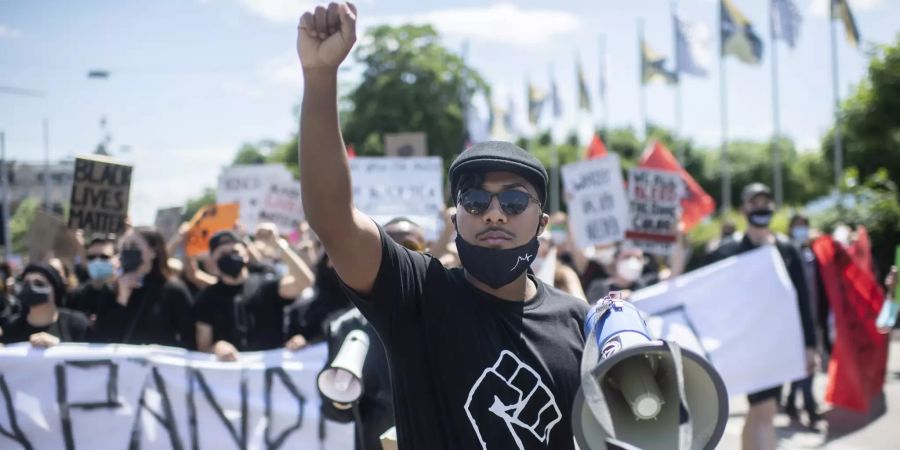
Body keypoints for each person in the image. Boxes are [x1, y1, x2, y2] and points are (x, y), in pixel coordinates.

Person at [298, 4, 590, 448]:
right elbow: (332, 219)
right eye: (475, 200)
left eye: (514, 200)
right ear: (456, 219)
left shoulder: (577, 323)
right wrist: (321, 78)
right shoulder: (417, 295)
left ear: (543, 222)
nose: (494, 213)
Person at [704, 183, 818, 450]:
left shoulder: (787, 249)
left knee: (759, 412)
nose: (761, 208)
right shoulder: (729, 250)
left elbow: (803, 300)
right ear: (744, 208)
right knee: (765, 411)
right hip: (747, 345)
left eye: (765, 203)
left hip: (779, 344)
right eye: (754, 203)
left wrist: (811, 345)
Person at [194, 230, 314, 361]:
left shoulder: (266, 282)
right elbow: (203, 347)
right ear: (213, 261)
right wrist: (216, 348)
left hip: (269, 371)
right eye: (223, 254)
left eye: (235, 252)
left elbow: (305, 282)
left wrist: (280, 246)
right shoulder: (206, 298)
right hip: (231, 375)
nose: (230, 257)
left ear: (246, 254)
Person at [92, 227, 196, 349]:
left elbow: (190, 341)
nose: (128, 250)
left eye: (134, 245)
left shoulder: (173, 290)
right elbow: (101, 339)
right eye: (124, 246)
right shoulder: (110, 289)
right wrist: (122, 299)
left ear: (153, 252)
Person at [782, 213, 823, 428]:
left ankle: (791, 401)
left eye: (803, 226)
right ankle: (811, 409)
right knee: (804, 364)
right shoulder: (785, 252)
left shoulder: (814, 252)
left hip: (811, 315)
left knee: (807, 363)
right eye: (796, 225)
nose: (800, 229)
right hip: (791, 318)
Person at [0, 263, 90, 347]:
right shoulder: (11, 327)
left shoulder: (76, 323)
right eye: (26, 283)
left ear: (55, 289)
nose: (31, 288)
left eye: (39, 283)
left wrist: (59, 346)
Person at [68, 233, 119, 322]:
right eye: (91, 257)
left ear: (116, 259)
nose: (97, 261)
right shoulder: (75, 296)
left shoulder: (123, 295)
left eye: (104, 257)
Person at [585, 243, 650, 301]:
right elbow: (594, 311)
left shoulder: (646, 285)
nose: (633, 261)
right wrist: (612, 301)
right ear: (616, 259)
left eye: (638, 258)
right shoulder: (600, 288)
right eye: (627, 257)